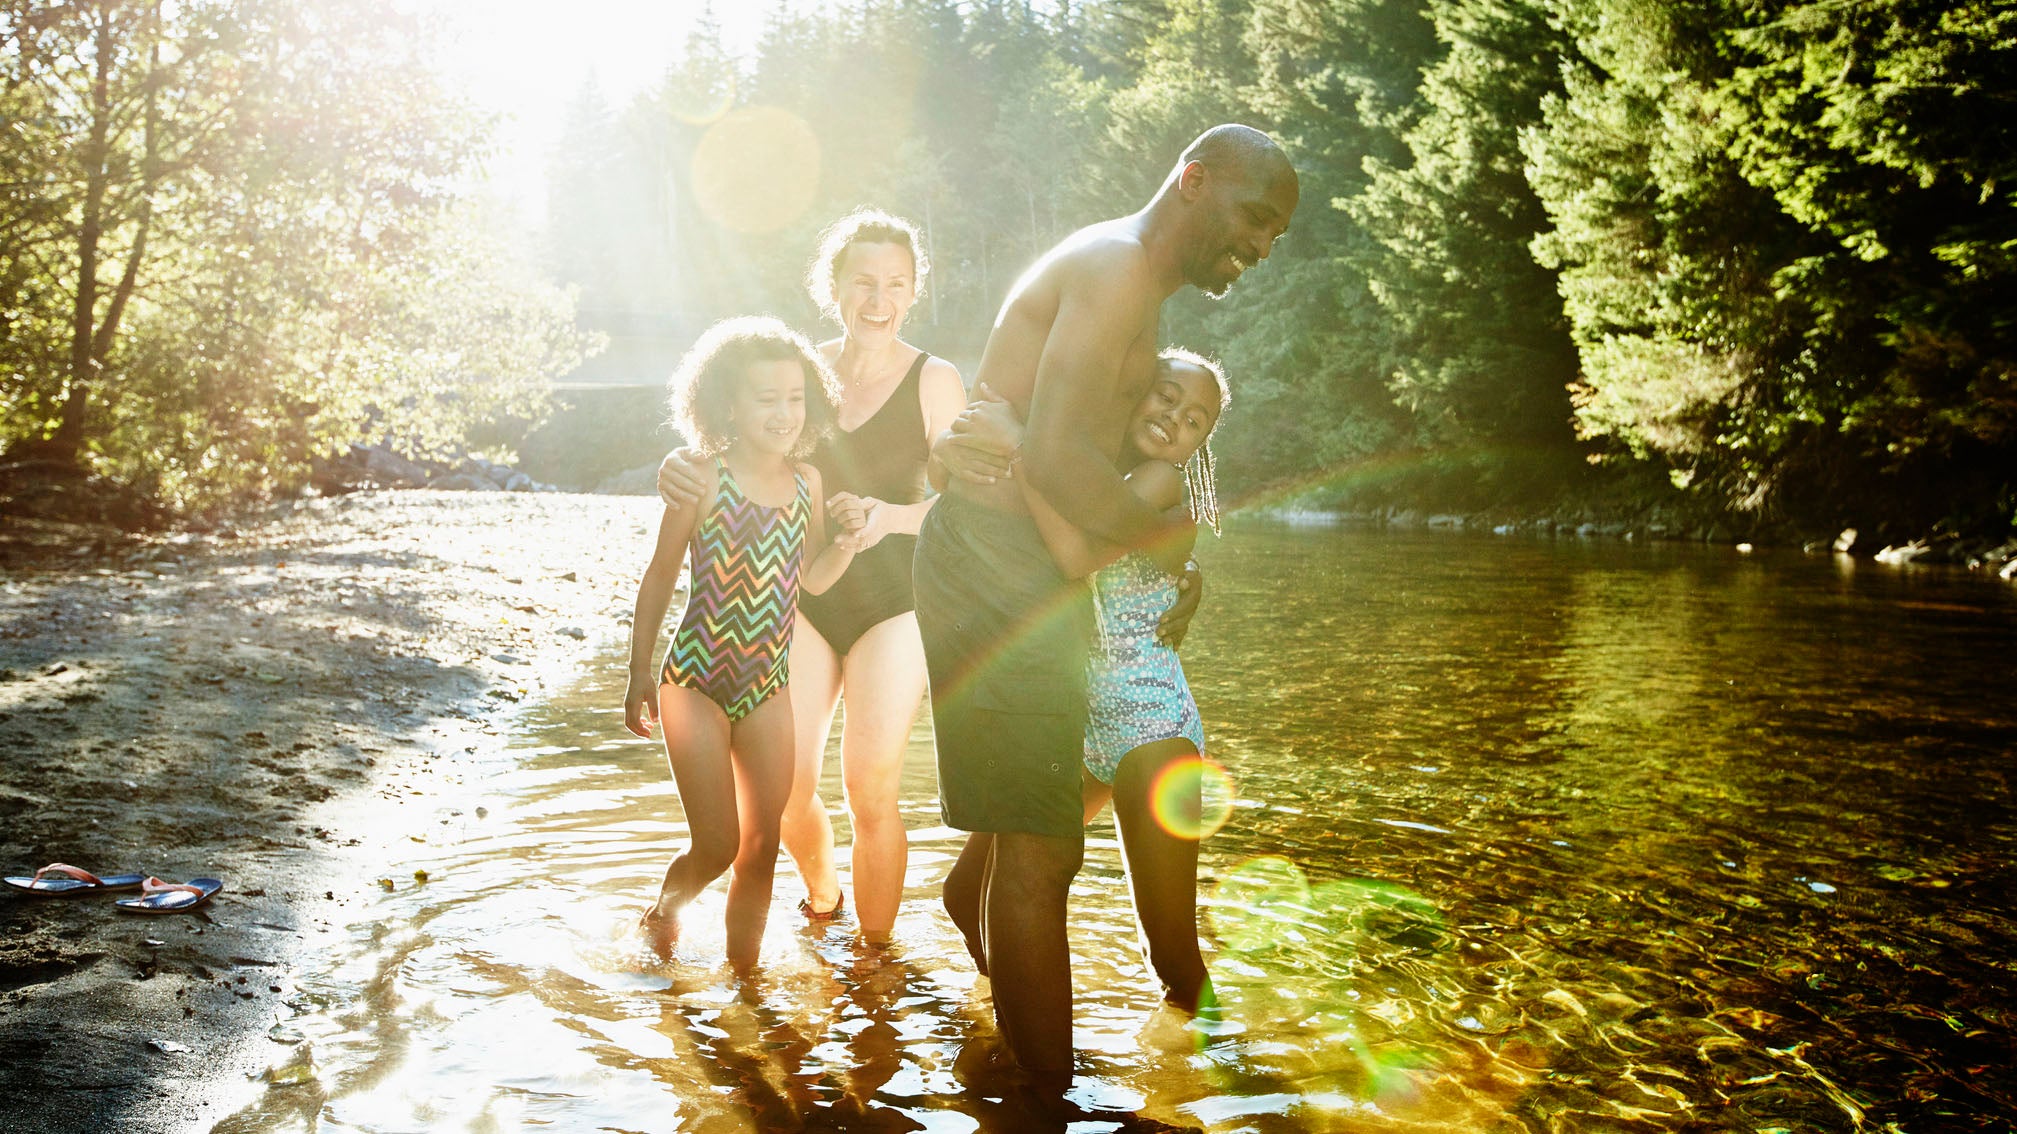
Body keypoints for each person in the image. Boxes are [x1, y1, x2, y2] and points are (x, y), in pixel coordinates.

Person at [913, 123, 1296, 1090]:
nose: (1259, 245)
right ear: (1192, 180)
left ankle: (1021, 1065)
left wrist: (1168, 557)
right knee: (1042, 853)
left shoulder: (1134, 288)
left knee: (1033, 845)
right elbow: (1050, 458)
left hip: (1035, 576)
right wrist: (1163, 540)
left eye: (1275, 234)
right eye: (1255, 218)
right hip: (995, 572)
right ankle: (1048, 1103)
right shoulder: (1119, 267)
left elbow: (1072, 446)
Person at [658, 210, 966, 942]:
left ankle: (874, 961)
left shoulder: (935, 380)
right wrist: (675, 462)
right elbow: (732, 441)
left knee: (869, 786)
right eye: (863, 281)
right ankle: (824, 896)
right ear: (834, 286)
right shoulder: (803, 372)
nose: (878, 299)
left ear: (913, 290)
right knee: (789, 793)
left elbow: (969, 504)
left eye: (896, 283)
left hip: (895, 603)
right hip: (803, 600)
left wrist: (891, 518)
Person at [937, 350, 1229, 1015]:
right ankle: (1003, 1024)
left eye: (1194, 420)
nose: (1174, 419)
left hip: (1151, 731)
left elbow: (1073, 557)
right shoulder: (1093, 476)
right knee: (964, 892)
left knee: (1171, 957)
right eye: (1165, 396)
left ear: (1199, 447)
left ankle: (1221, 1064)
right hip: (1076, 725)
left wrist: (1021, 447)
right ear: (1132, 390)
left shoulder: (1158, 480)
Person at [622, 316, 867, 968]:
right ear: (728, 404)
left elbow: (810, 577)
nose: (784, 413)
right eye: (766, 399)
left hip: (767, 686)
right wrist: (638, 670)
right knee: (717, 845)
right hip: (695, 680)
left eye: (795, 398)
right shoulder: (701, 478)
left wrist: (846, 544)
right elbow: (660, 574)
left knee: (760, 849)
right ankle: (661, 915)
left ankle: (745, 986)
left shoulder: (808, 483)